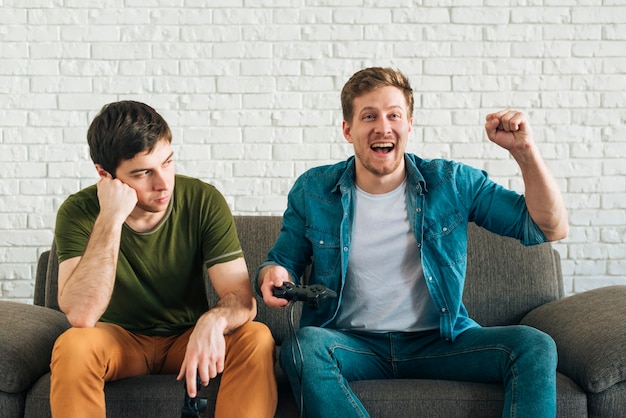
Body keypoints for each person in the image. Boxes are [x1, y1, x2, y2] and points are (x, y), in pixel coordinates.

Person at [256, 67, 568, 417]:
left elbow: (548, 227)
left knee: (534, 345)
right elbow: (282, 259)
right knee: (302, 347)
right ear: (348, 129)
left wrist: (525, 151)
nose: (383, 127)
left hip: (439, 343)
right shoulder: (313, 189)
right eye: (369, 116)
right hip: (352, 345)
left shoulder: (451, 182)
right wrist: (274, 273)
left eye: (394, 115)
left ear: (409, 125)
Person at [50, 100, 277, 418]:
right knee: (73, 345)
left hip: (185, 338)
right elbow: (82, 315)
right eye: (143, 173)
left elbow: (242, 299)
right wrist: (111, 219)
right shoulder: (79, 211)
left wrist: (213, 320)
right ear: (105, 175)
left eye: (167, 163)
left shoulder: (203, 200)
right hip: (119, 340)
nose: (163, 183)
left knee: (256, 336)